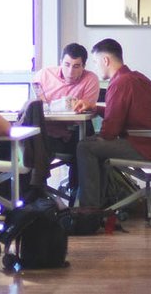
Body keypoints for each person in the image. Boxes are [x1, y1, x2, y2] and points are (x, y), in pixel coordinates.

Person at [74, 38, 151, 210]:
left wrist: (98, 137)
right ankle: (100, 203)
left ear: (105, 60)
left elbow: (109, 132)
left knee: (85, 146)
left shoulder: (120, 83)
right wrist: (95, 108)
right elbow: (121, 114)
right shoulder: (135, 77)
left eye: (95, 62)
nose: (95, 67)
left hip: (144, 147)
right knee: (94, 144)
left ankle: (89, 210)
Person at [29, 43, 101, 190]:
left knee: (85, 138)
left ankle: (78, 195)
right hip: (44, 133)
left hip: (72, 133)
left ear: (83, 66)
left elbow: (84, 113)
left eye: (76, 66)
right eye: (67, 65)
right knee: (21, 140)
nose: (70, 71)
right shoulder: (44, 75)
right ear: (60, 62)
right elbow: (35, 107)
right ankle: (32, 192)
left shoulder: (90, 79)